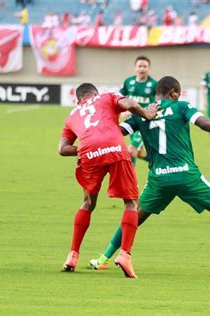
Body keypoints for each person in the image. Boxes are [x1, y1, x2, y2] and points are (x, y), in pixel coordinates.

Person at [89, 76, 210, 277]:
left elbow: (115, 133)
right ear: (174, 93)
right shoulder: (181, 106)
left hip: (158, 179)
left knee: (134, 216)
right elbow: (204, 123)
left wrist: (92, 135)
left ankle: (103, 259)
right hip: (185, 175)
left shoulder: (141, 113)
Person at [59, 83, 159, 278]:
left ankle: (72, 255)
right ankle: (124, 255)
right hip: (115, 148)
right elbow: (129, 104)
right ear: (94, 93)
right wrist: (146, 114)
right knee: (131, 203)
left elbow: (62, 149)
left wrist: (85, 149)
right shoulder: (106, 97)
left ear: (78, 100)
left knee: (88, 203)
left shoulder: (72, 114)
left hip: (89, 152)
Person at [120, 56, 158, 165]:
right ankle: (162, 163)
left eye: (145, 66)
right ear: (135, 68)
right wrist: (123, 111)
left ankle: (130, 181)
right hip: (132, 121)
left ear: (149, 68)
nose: (142, 69)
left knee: (131, 150)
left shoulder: (154, 84)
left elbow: (158, 103)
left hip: (145, 121)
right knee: (139, 152)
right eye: (140, 66)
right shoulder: (128, 82)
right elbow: (120, 98)